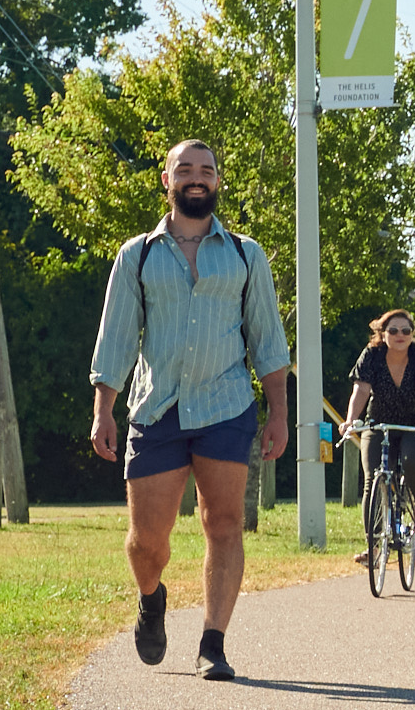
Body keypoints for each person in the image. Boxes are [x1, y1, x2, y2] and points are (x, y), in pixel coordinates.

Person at [87, 139, 293, 682]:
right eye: (186, 170)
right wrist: (103, 410)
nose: (196, 178)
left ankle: (213, 643)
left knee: (223, 524)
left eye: (206, 170)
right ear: (167, 179)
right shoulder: (139, 255)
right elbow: (116, 338)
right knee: (146, 543)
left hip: (226, 406)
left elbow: (268, 341)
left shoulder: (247, 254)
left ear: (218, 181)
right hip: (158, 409)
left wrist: (278, 412)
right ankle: (151, 599)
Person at [346, 308, 415, 552]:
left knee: (414, 460)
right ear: (383, 333)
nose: (401, 335)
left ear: (412, 334)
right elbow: (362, 390)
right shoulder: (372, 355)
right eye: (394, 330)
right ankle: (374, 546)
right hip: (379, 423)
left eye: (406, 331)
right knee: (372, 478)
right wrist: (350, 421)